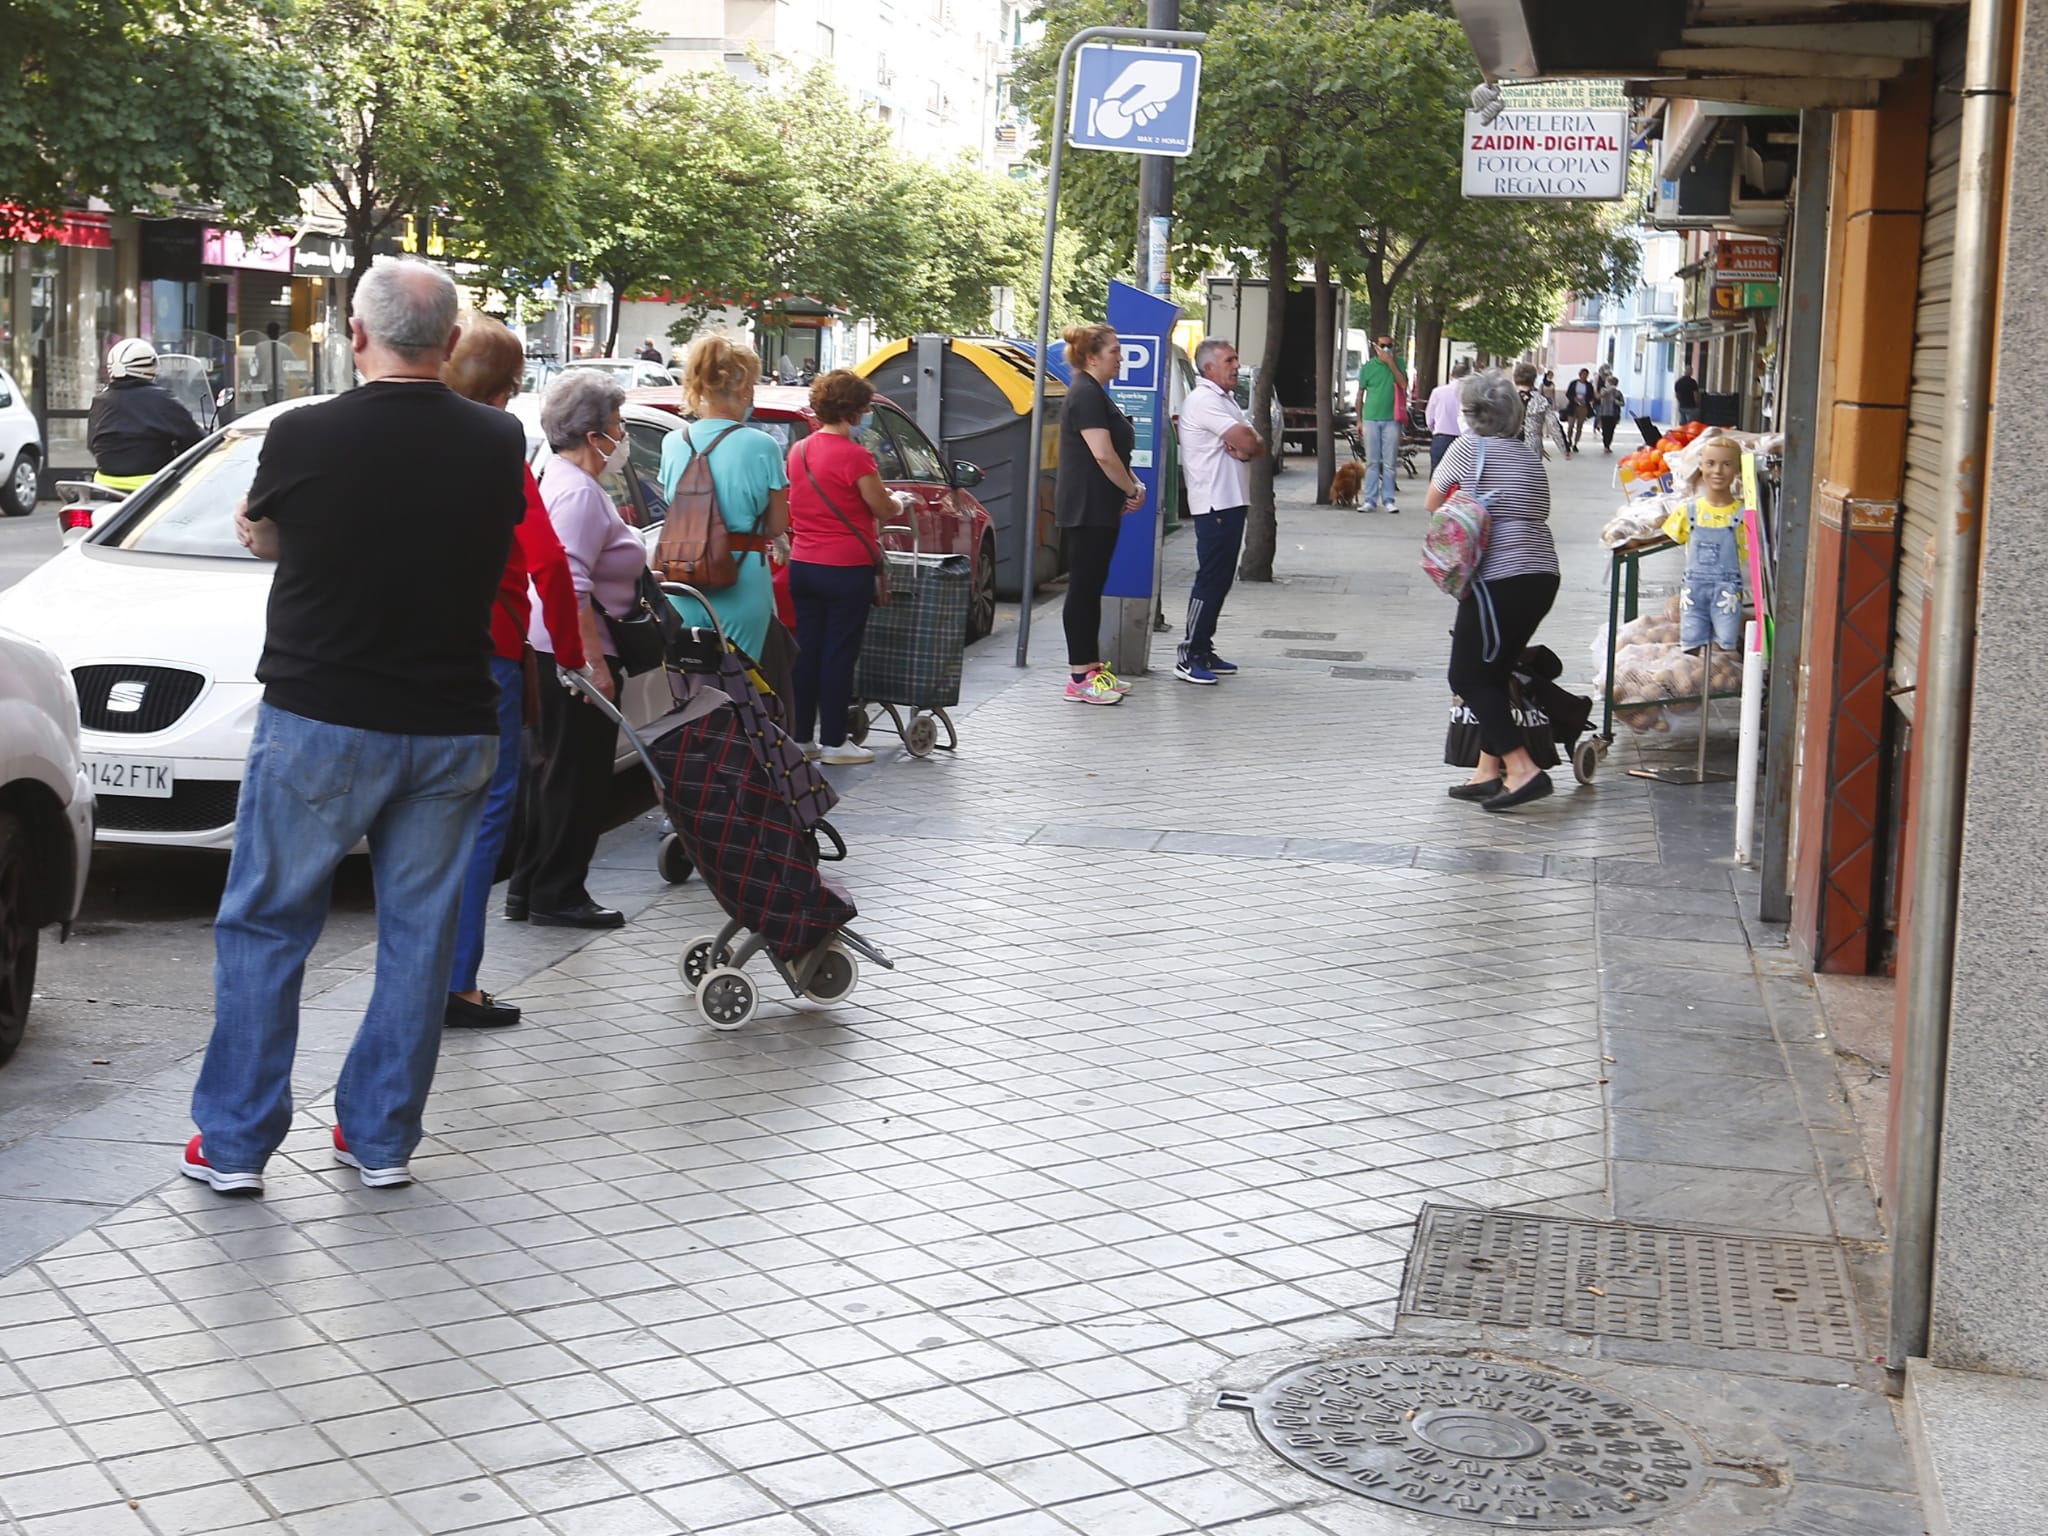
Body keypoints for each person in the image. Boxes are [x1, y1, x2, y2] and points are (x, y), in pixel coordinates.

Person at [183, 256, 524, 1197]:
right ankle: (379, 1139)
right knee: (419, 935)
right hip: (452, 724)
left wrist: (293, 536)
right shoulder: (498, 443)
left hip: (320, 719)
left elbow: (261, 529)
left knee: (266, 924)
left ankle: (237, 1145)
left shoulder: (303, 434)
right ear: (452, 344)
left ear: (355, 334)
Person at [439, 314, 588, 1027]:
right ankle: (457, 982)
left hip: (409, 657)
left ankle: (420, 973)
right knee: (480, 818)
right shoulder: (497, 446)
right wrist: (574, 653)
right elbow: (550, 562)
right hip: (487, 653)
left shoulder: (415, 439)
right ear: (510, 387)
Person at [506, 371, 638, 932]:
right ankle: (559, 892)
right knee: (576, 778)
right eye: (618, 424)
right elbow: (573, 582)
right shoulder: (579, 493)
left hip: (549, 650)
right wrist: (593, 664)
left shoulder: (556, 476)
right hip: (573, 657)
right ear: (594, 434)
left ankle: (531, 887)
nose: (624, 433)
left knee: (552, 774)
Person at [1427, 369, 1562, 813]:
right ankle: (1487, 771)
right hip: (1541, 572)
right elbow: (1539, 506)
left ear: (1471, 413)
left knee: (1465, 677)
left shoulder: (1468, 448)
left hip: (1496, 577)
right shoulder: (1527, 455)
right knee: (1496, 670)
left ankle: (1522, 769)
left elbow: (1433, 502)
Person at [658, 334, 789, 668]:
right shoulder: (762, 446)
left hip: (684, 575)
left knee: (691, 679)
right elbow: (777, 524)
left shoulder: (673, 442)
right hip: (741, 576)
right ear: (745, 388)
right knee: (742, 681)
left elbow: (674, 506)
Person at [786, 370, 896, 765]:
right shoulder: (855, 456)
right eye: (865, 409)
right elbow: (880, 507)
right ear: (853, 411)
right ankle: (834, 740)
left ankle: (801, 737)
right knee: (839, 654)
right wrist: (899, 503)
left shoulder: (797, 451)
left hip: (803, 563)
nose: (866, 415)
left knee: (808, 651)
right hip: (846, 567)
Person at [1052, 322, 1144, 704]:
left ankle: (1091, 669)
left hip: (1098, 505)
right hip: (1087, 506)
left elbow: (1114, 453)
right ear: (1092, 357)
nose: (1120, 358)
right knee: (1084, 590)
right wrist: (1130, 488)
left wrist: (1132, 483)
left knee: (1092, 589)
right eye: (1114, 351)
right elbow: (1102, 454)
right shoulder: (1086, 395)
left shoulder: (1095, 393)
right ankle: (1079, 676)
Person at [1175, 337, 1264, 685]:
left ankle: (1204, 647)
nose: (1236, 366)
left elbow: (1256, 442)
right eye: (1229, 360)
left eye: (1236, 359)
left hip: (1232, 500)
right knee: (1210, 578)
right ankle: (1188, 654)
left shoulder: (1224, 400)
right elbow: (1247, 440)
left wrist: (1248, 447)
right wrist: (1248, 445)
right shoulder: (1203, 401)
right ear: (1209, 367)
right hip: (1214, 503)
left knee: (1222, 579)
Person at [86, 338, 201, 492]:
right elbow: (194, 439)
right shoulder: (162, 399)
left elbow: (92, 443)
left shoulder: (100, 400)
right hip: (152, 485)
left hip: (105, 484)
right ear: (150, 365)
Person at [1356, 335, 1402, 513]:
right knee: (1372, 462)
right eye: (1383, 346)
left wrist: (1391, 363)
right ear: (1376, 347)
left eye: (1390, 345)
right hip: (1371, 419)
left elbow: (1403, 384)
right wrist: (1359, 419)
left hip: (1392, 419)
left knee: (1390, 462)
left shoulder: (1398, 363)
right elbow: (1360, 394)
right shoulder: (1368, 368)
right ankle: (1370, 500)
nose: (1387, 348)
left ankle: (1389, 500)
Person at [1424, 358, 1471, 472]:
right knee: (1460, 477)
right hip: (1464, 440)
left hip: (1441, 437)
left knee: (1437, 475)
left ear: (1451, 375)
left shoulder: (1438, 392)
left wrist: (1434, 430)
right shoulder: (1470, 394)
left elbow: (1429, 417)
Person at [1514, 362, 1568, 460]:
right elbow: (1553, 426)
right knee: (1532, 474)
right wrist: (1564, 449)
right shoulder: (1541, 401)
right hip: (1533, 447)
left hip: (1511, 447)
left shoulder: (1508, 399)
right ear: (1534, 379)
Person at [1563, 368, 1596, 452]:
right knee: (1570, 425)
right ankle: (1569, 439)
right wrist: (1574, 398)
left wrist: (1585, 400)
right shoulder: (1574, 383)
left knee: (1580, 426)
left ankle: (1575, 443)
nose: (1584, 376)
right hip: (1573, 406)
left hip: (1583, 407)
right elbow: (1568, 393)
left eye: (1586, 375)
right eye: (1583, 374)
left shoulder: (1589, 385)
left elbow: (1591, 396)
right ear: (1580, 375)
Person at [1595, 374, 1626, 454]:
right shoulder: (1603, 390)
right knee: (1605, 430)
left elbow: (1623, 403)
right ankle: (1606, 445)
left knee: (1611, 430)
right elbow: (1601, 396)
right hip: (1604, 413)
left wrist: (1617, 402)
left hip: (1614, 414)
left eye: (1610, 382)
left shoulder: (1618, 393)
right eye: (1608, 382)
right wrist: (1609, 390)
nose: (1608, 384)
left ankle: (1608, 445)